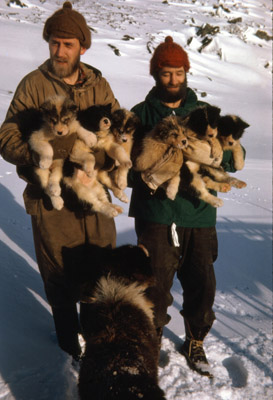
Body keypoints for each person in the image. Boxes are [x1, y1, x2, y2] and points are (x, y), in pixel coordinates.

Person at [0, 1, 120, 362]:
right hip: (51, 200)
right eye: (54, 42)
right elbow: (6, 136)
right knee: (60, 272)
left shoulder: (99, 85)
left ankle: (99, 341)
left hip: (90, 191)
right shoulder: (34, 86)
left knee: (100, 267)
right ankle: (68, 346)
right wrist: (39, 153)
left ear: (83, 46)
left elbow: (116, 128)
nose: (60, 50)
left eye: (68, 44)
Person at [129, 36, 241, 377]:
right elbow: (122, 161)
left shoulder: (205, 113)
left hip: (198, 213)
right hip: (156, 214)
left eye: (178, 72)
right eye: (165, 73)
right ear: (155, 75)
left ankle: (195, 338)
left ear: (187, 73)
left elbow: (231, 158)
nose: (173, 80)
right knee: (154, 283)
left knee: (201, 282)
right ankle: (152, 338)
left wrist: (224, 157)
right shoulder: (141, 113)